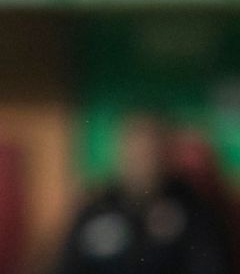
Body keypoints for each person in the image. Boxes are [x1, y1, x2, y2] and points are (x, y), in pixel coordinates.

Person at [55, 115, 231, 274]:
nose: (143, 158)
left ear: (166, 154)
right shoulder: (96, 210)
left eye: (151, 150)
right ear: (121, 151)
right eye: (136, 149)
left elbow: (211, 265)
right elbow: (68, 266)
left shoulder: (193, 210)